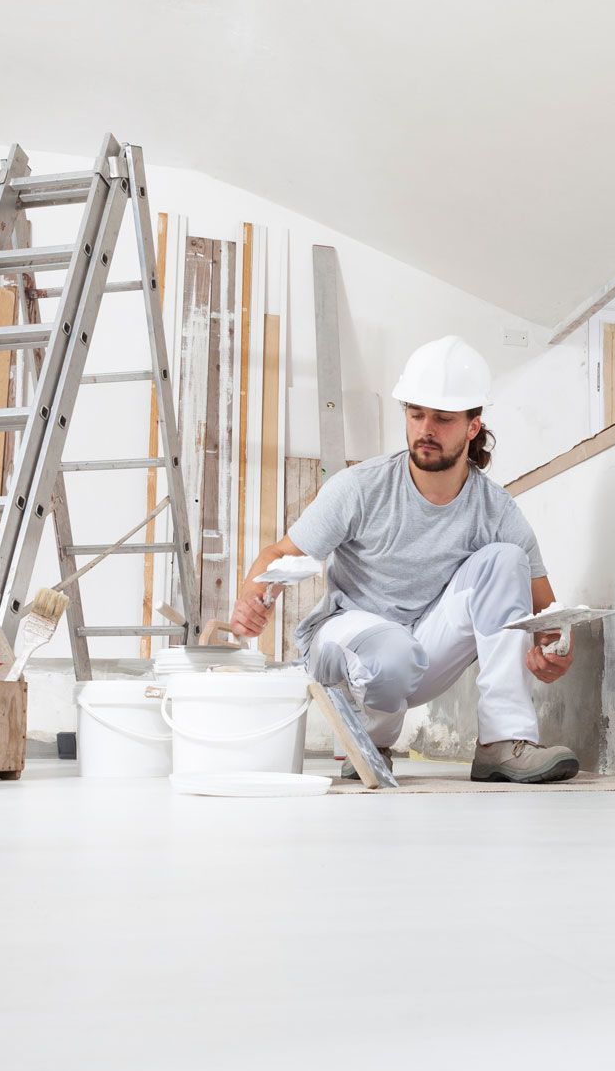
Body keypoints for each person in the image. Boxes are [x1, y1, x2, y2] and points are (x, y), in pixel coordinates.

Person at [229, 335, 580, 783]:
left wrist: (554, 650)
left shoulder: (496, 510)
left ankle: (501, 741)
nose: (425, 429)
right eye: (416, 414)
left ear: (473, 426)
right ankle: (367, 743)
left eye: (443, 418)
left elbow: (548, 614)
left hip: (422, 650)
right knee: (391, 654)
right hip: (345, 642)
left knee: (506, 558)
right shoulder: (360, 488)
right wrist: (252, 595)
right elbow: (279, 554)